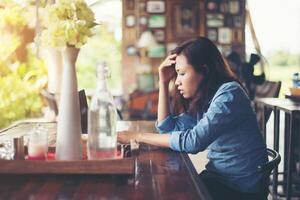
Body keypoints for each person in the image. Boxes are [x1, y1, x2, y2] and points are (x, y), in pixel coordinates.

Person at [118, 37, 268, 200]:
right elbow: (167, 129)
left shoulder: (229, 94)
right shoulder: (207, 98)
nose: (177, 82)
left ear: (204, 70)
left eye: (182, 73)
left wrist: (137, 136)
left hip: (240, 189)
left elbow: (193, 141)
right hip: (219, 179)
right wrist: (163, 81)